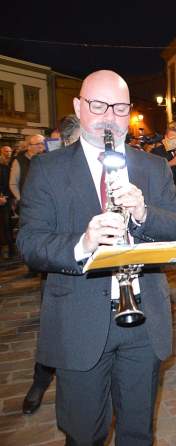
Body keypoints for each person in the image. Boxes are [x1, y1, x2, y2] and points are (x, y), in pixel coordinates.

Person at [17, 70, 176, 444]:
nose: (110, 116)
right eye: (98, 106)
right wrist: (83, 243)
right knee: (84, 435)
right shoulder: (47, 169)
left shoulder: (152, 167)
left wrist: (143, 213)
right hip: (78, 322)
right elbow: (30, 243)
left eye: (119, 108)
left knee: (137, 433)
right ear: (79, 107)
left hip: (143, 320)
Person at [21, 114, 80, 415]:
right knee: (53, 330)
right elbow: (34, 235)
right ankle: (40, 381)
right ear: (66, 140)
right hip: (59, 265)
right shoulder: (48, 169)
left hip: (97, 267)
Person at [9, 134, 45, 209]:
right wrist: (20, 199)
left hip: (44, 202)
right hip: (27, 204)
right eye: (38, 144)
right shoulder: (19, 161)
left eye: (43, 143)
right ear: (29, 146)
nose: (41, 146)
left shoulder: (47, 160)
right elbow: (13, 183)